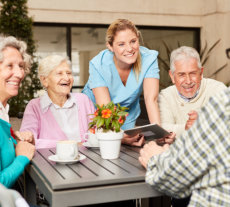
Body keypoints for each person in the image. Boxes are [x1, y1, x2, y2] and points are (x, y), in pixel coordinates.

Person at [139, 87, 230, 207]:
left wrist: (155, 159)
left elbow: (176, 179)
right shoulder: (166, 95)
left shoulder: (224, 103)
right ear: (172, 76)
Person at [82, 19, 160, 146]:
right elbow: (105, 109)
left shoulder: (149, 58)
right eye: (121, 44)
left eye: (133, 41)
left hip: (126, 114)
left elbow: (151, 99)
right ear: (110, 46)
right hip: (98, 115)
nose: (129, 49)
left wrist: (159, 135)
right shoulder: (98, 64)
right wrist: (118, 137)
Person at [20, 55, 95, 149]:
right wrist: (70, 144)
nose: (67, 78)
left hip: (89, 160)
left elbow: (98, 132)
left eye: (69, 73)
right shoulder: (34, 106)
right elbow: (28, 141)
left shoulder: (83, 100)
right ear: (44, 80)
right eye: (59, 73)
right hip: (51, 162)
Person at [158, 46, 226, 139]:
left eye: (192, 73)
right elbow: (162, 128)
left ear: (201, 73)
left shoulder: (217, 89)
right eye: (181, 75)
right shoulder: (165, 96)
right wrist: (186, 128)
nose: (188, 81)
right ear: (172, 76)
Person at [0, 36, 35, 188]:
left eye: (21, 66)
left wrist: (14, 140)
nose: (20, 74)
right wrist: (22, 158)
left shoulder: (3, 110)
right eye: (10, 66)